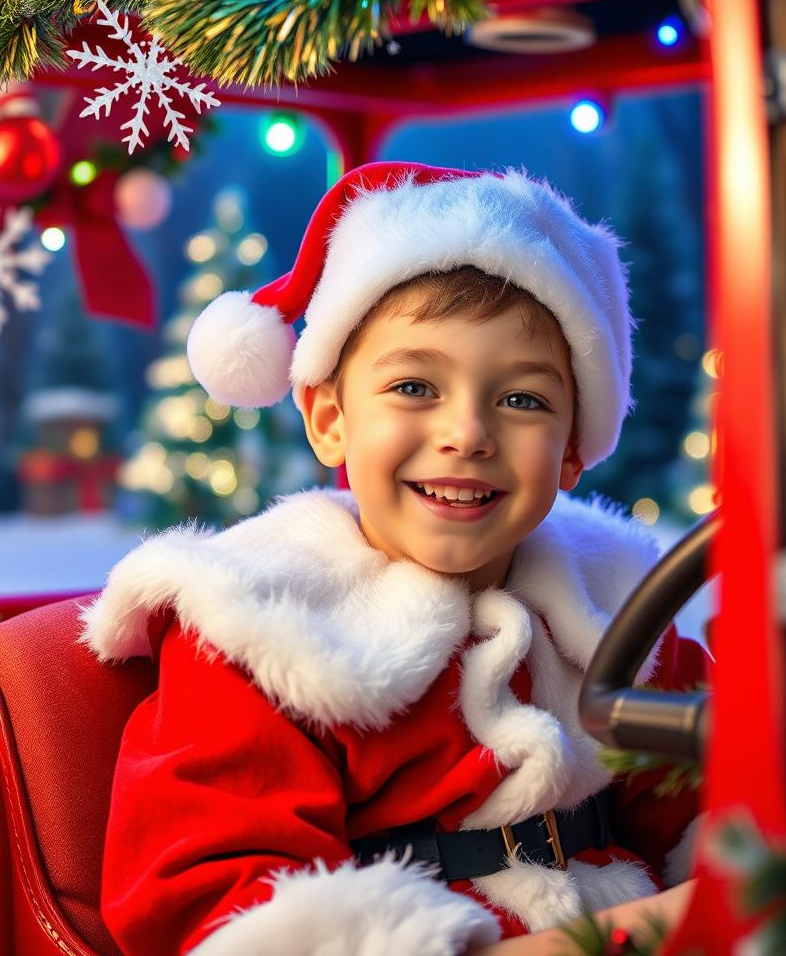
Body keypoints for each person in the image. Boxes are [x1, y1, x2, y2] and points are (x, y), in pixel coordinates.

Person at [82, 161, 710, 955]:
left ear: (571, 454)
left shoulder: (613, 606)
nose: (467, 433)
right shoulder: (261, 629)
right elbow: (231, 910)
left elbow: (715, 790)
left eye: (522, 400)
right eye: (415, 387)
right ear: (330, 420)